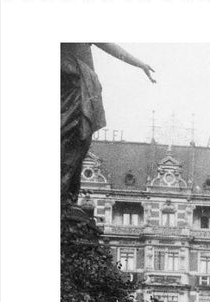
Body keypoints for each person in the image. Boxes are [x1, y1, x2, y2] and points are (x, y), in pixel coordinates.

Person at [61, 43, 155, 212]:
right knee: (71, 141)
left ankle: (67, 198)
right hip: (73, 82)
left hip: (79, 82)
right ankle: (63, 198)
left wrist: (140, 64)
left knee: (79, 143)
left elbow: (107, 45)